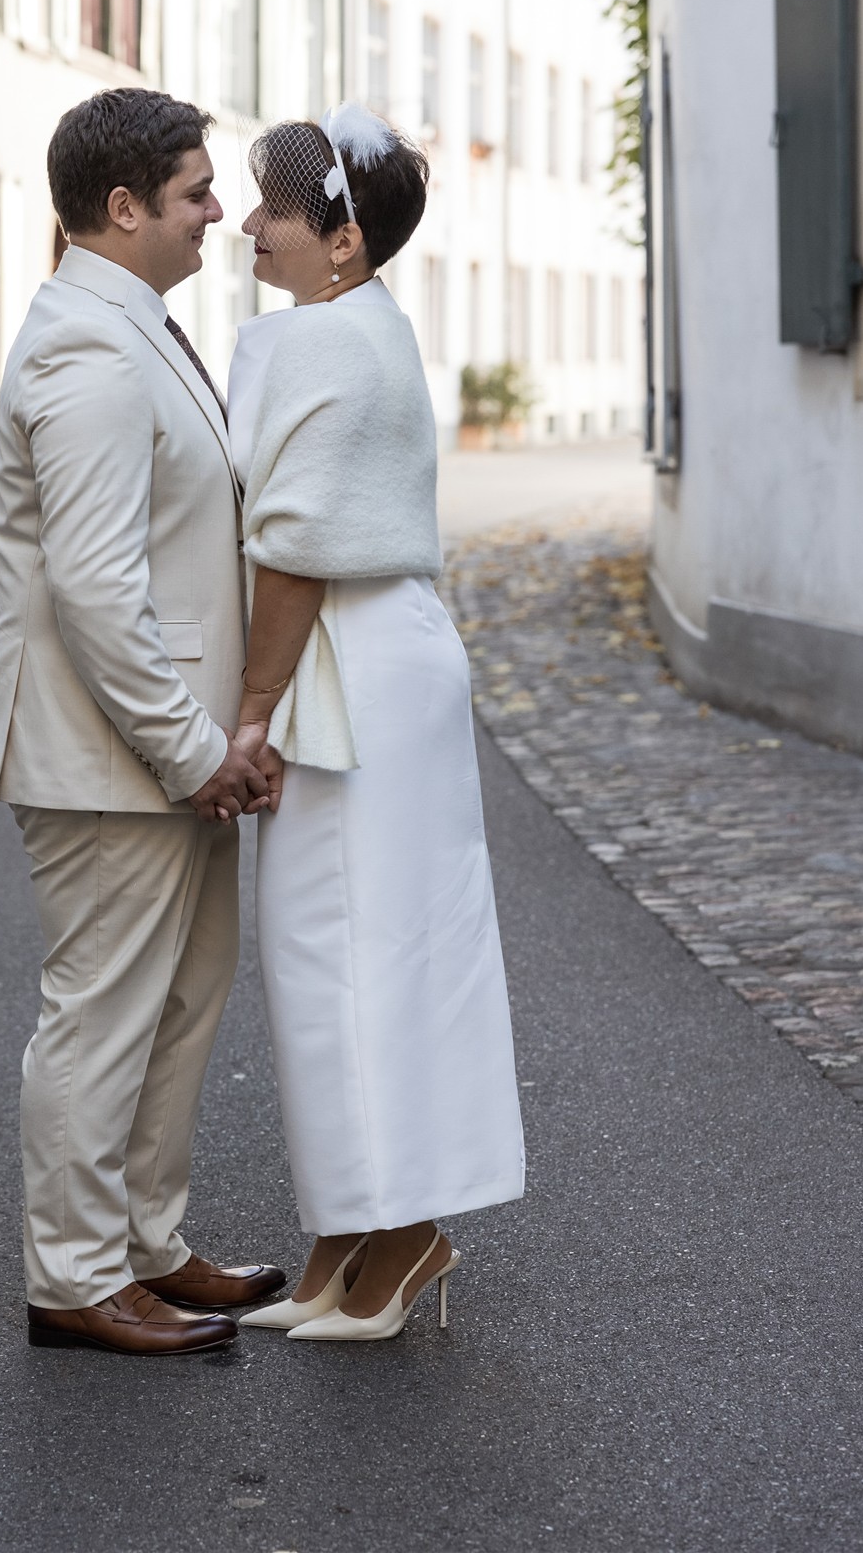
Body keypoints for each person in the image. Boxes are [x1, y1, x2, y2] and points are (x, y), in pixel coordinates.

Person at [0, 88, 285, 1357]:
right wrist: (196, 749)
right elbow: (95, 589)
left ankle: (148, 1244)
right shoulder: (87, 350)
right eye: (197, 192)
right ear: (122, 205)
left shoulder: (131, 325)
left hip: (160, 749)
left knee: (183, 1000)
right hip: (109, 755)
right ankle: (75, 1277)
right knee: (101, 1014)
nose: (217, 212)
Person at [227, 104, 525, 1344]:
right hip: (376, 659)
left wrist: (249, 713)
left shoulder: (327, 343)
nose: (250, 222)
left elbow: (296, 549)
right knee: (350, 952)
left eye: (275, 208)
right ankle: (347, 1233)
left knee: (358, 954)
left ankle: (401, 1236)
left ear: (340, 238)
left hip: (351, 664)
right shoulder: (357, 323)